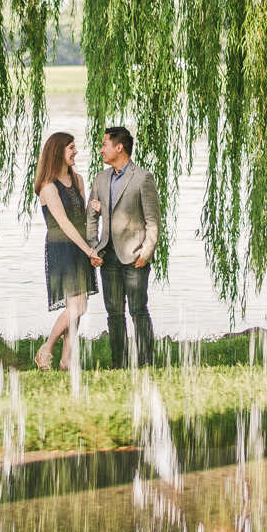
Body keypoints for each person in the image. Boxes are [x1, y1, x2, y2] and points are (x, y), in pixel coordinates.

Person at [86, 126, 162, 368]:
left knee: (138, 310)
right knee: (114, 314)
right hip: (107, 257)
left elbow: (153, 221)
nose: (101, 149)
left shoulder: (143, 178)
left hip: (134, 257)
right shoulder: (100, 178)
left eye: (105, 145)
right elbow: (91, 217)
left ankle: (145, 362)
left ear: (119, 147)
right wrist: (93, 248)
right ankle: (119, 363)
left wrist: (146, 252)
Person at [34, 132, 102, 371]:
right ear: (58, 152)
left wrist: (98, 210)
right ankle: (46, 349)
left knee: (77, 309)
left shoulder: (78, 180)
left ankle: (66, 362)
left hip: (80, 246)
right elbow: (63, 223)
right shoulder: (48, 187)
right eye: (71, 148)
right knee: (77, 307)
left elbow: (83, 217)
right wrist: (89, 251)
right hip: (62, 247)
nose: (75, 152)